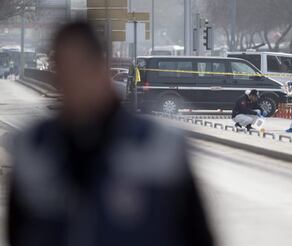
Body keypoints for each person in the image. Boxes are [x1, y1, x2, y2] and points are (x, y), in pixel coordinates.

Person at [7, 22, 214, 246]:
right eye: (61, 70)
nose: (70, 82)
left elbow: (196, 234)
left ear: (102, 67)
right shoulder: (32, 149)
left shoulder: (160, 146)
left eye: (80, 68)